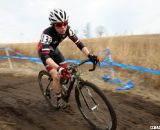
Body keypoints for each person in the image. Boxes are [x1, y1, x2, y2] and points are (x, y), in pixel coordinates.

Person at [38, 9, 99, 108]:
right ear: (53, 25)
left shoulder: (68, 30)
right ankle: (58, 99)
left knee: (67, 72)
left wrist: (89, 55)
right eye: (59, 25)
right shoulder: (47, 34)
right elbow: (46, 57)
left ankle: (59, 84)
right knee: (56, 76)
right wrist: (58, 68)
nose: (63, 27)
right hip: (46, 54)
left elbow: (79, 44)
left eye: (65, 23)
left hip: (55, 50)